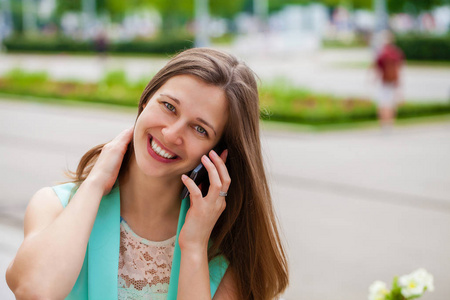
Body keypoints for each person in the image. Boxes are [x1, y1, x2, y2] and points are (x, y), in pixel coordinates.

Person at [6, 48, 289, 299]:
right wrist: (94, 183)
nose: (171, 134)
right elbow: (35, 291)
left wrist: (193, 247)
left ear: (219, 154)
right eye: (168, 107)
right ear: (145, 100)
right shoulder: (56, 205)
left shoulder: (224, 256)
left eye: (200, 129)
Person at [373, 30, 404, 129]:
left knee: (383, 102)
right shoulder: (396, 52)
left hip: (384, 80)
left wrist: (374, 79)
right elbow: (399, 68)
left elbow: (377, 67)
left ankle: (383, 123)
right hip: (393, 81)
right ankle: (390, 123)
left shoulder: (382, 52)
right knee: (391, 103)